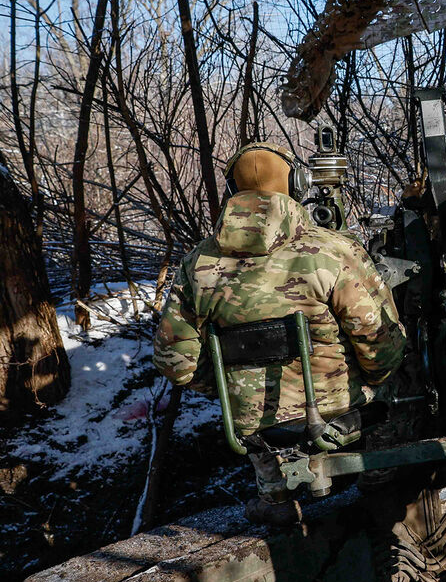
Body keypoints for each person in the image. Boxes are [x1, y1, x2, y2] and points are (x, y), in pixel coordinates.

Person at [153, 142, 406, 518]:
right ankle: (379, 478)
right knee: (399, 364)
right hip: (339, 413)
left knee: (253, 414)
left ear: (230, 192)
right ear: (299, 184)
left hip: (254, 427)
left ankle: (276, 497)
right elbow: (377, 339)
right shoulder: (334, 250)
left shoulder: (197, 263)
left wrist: (229, 389)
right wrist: (374, 379)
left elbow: (174, 360)